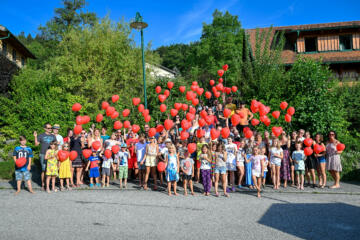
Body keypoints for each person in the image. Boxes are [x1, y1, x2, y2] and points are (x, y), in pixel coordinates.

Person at [34, 123, 56, 190]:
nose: (50, 129)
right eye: (49, 128)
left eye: (51, 128)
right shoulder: (41, 136)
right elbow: (36, 144)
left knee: (50, 170)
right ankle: (43, 185)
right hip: (43, 154)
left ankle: (50, 185)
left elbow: (55, 145)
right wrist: (35, 136)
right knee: (44, 169)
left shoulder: (53, 136)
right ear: (45, 128)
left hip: (51, 155)